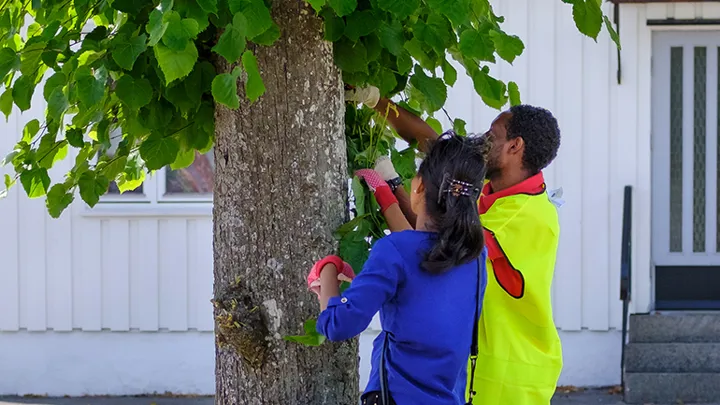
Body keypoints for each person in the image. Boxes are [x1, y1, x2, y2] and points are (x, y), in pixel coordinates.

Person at [346, 86, 564, 405]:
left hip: (506, 374)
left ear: (515, 146)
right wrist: (375, 100)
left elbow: (427, 249)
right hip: (476, 363)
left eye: (493, 134)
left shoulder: (524, 214)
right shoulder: (492, 191)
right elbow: (435, 149)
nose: (482, 140)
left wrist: (387, 190)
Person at [307, 134, 489, 405]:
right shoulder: (475, 257)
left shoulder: (395, 251)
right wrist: (384, 195)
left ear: (418, 187)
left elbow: (337, 325)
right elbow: (419, 254)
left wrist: (328, 270)